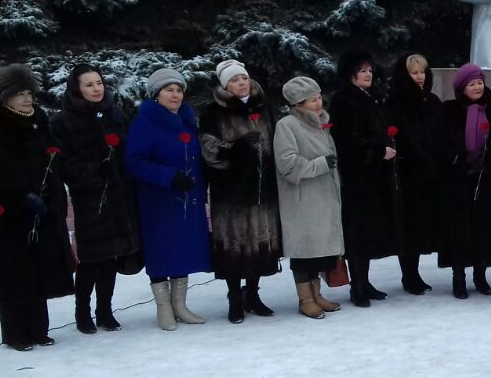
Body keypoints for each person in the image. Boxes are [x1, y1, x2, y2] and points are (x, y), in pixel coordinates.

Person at [0, 63, 75, 350]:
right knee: (14, 271)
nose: (27, 98)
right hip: (10, 212)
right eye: (20, 93)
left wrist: (51, 195)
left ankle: (39, 329)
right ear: (3, 96)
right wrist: (15, 200)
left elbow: (52, 160)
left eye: (29, 92)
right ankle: (15, 333)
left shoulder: (39, 119)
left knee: (39, 267)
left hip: (43, 208)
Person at [50, 64, 142, 334]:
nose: (96, 88)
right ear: (77, 88)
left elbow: (131, 147)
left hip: (119, 194)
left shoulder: (114, 112)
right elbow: (60, 160)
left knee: (112, 257)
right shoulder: (62, 120)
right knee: (92, 259)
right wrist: (91, 171)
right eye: (88, 84)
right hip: (91, 195)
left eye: (98, 83)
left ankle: (105, 310)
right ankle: (82, 312)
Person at [125, 68, 212, 329]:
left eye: (179, 90)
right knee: (161, 249)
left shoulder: (187, 122)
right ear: (156, 95)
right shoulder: (144, 123)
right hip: (159, 199)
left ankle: (180, 305)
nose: (175, 95)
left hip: (188, 198)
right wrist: (169, 177)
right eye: (168, 90)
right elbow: (134, 161)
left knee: (183, 248)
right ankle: (163, 307)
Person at [199, 59, 282, 323]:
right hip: (231, 190)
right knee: (235, 245)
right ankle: (234, 297)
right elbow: (208, 148)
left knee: (259, 241)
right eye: (234, 80)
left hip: (262, 187)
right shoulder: (213, 111)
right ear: (225, 85)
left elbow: (278, 140)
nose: (241, 83)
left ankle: (253, 295)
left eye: (243, 78)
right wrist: (237, 147)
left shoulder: (264, 107)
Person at [329, 48, 403, 307]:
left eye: (370, 70)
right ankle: (357, 286)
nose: (368, 74)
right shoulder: (343, 100)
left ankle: (365, 281)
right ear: (351, 74)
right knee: (357, 232)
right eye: (362, 70)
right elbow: (347, 140)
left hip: (375, 175)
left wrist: (387, 145)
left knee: (368, 231)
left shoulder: (371, 98)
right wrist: (377, 150)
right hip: (357, 176)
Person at [274, 76, 344, 318]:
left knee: (319, 251)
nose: (318, 103)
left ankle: (317, 295)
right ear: (298, 103)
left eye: (319, 97)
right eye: (312, 100)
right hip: (302, 200)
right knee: (304, 251)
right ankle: (305, 299)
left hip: (323, 198)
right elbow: (287, 164)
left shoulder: (321, 123)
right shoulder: (287, 125)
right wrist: (320, 165)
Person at [437, 62, 491, 299]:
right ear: (462, 87)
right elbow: (442, 142)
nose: (477, 87)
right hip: (459, 180)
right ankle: (459, 277)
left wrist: (490, 156)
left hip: (488, 178)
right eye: (472, 83)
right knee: (461, 229)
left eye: (480, 82)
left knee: (484, 227)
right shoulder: (450, 110)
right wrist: (460, 157)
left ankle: (481, 275)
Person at [386, 53, 442, 295]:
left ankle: (415, 273)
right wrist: (419, 158)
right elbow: (400, 137)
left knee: (421, 224)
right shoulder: (394, 102)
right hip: (407, 171)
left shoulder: (433, 101)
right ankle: (408, 275)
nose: (420, 77)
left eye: (423, 72)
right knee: (407, 225)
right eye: (414, 72)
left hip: (430, 172)